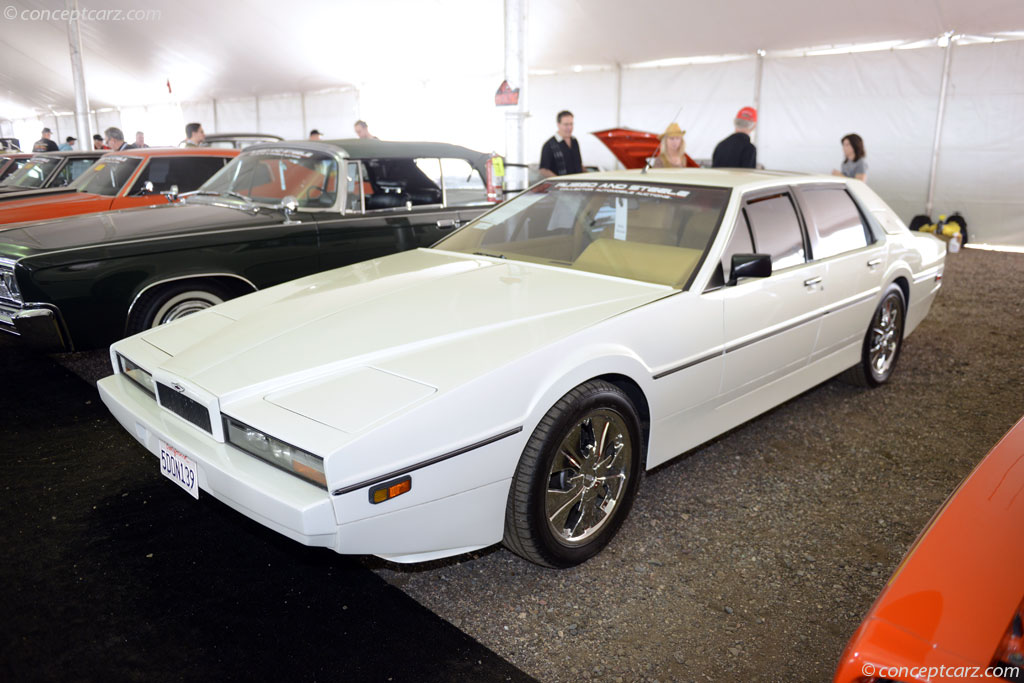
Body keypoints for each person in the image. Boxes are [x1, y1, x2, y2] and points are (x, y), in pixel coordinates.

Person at [539, 110, 583, 177]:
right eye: (566, 124)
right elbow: (543, 170)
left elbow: (579, 165)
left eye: (571, 124)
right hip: (561, 185)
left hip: (578, 184)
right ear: (558, 124)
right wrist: (559, 181)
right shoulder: (548, 145)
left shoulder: (574, 141)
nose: (569, 127)